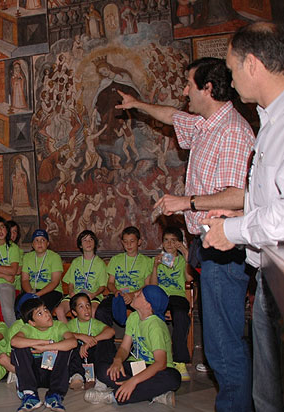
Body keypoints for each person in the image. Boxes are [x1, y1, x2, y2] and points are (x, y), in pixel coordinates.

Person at [201, 22, 284, 412]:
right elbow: (280, 196)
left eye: (231, 67)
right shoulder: (274, 119)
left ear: (253, 64)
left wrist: (235, 229)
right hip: (274, 278)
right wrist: (242, 211)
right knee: (270, 396)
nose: (230, 77)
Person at [116, 57, 255, 411]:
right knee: (216, 339)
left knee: (223, 343)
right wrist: (136, 105)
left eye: (188, 85)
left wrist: (186, 202)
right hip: (203, 245)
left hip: (227, 246)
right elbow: (170, 115)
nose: (183, 92)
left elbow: (239, 194)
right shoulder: (207, 124)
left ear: (207, 88)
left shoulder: (234, 132)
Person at [84, 286, 181, 406]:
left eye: (140, 295)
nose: (134, 295)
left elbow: (160, 363)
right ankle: (155, 394)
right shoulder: (134, 317)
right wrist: (118, 360)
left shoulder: (155, 326)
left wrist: (133, 381)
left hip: (157, 370)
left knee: (173, 378)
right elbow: (124, 348)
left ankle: (112, 397)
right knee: (104, 369)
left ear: (148, 305)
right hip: (137, 366)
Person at [10, 297, 78, 412]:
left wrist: (46, 348)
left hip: (53, 372)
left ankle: (54, 395)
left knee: (67, 348)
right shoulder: (28, 328)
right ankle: (30, 395)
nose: (47, 314)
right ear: (32, 322)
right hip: (34, 373)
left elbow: (73, 342)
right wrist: (43, 342)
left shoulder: (58, 325)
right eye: (40, 313)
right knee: (18, 348)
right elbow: (14, 341)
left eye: (45, 309)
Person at [148, 226, 192, 381]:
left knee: (181, 316)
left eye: (173, 241)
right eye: (166, 240)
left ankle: (179, 361)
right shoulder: (158, 259)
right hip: (161, 296)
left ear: (179, 243)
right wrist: (154, 267)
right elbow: (153, 286)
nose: (169, 244)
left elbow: (189, 279)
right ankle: (156, 357)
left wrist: (185, 252)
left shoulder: (181, 260)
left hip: (177, 296)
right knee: (152, 316)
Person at [96, 227, 153, 327]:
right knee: (101, 311)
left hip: (137, 295)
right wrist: (115, 291)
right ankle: (107, 339)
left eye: (132, 241)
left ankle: (141, 338)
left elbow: (147, 284)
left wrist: (133, 294)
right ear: (122, 242)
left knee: (145, 310)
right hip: (118, 294)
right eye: (125, 242)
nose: (129, 245)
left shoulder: (147, 261)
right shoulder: (116, 259)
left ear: (139, 242)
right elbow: (110, 283)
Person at [66, 293, 115, 390]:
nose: (86, 309)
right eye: (81, 307)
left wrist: (91, 341)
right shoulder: (71, 325)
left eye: (88, 305)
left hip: (94, 357)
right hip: (79, 358)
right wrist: (81, 336)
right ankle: (77, 376)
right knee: (71, 345)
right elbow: (61, 334)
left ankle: (101, 378)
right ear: (74, 312)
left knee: (105, 343)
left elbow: (111, 331)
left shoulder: (95, 323)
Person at [55, 230, 107, 322]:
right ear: (80, 245)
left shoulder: (100, 263)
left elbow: (102, 286)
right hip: (76, 294)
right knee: (59, 310)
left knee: (93, 311)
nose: (88, 242)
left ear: (95, 243)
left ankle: (89, 334)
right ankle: (69, 334)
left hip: (92, 296)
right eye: (85, 240)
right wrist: (71, 292)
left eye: (91, 239)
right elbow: (71, 283)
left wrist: (93, 294)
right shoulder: (76, 262)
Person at [18, 229, 63, 314]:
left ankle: (42, 326)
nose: (39, 243)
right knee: (19, 303)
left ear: (47, 243)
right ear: (32, 244)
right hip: (32, 290)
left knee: (39, 307)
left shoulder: (54, 257)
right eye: (36, 240)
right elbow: (24, 280)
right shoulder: (27, 257)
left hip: (51, 291)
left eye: (43, 240)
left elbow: (55, 282)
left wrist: (37, 295)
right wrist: (30, 293)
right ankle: (25, 326)